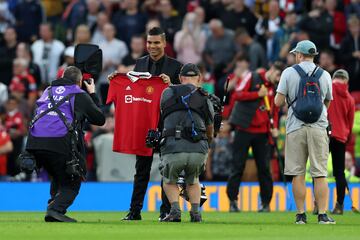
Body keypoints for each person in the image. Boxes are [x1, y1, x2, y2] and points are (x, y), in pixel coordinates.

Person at [110, 27, 182, 221]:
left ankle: (166, 211)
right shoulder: (140, 63)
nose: (152, 46)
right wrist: (118, 81)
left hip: (167, 125)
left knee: (167, 171)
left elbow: (185, 95)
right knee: (141, 171)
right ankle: (134, 212)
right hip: (145, 125)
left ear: (165, 44)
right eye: (149, 42)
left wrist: (172, 86)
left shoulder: (177, 67)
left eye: (156, 42)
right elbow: (133, 89)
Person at [25, 66, 105, 222]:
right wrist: (93, 93)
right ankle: (56, 209)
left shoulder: (47, 90)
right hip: (59, 141)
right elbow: (99, 119)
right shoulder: (78, 94)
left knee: (58, 173)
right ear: (80, 81)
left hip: (34, 142)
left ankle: (53, 204)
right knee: (73, 180)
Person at [275, 40, 335, 224]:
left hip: (295, 127)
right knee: (320, 173)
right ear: (314, 55)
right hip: (318, 127)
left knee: (297, 173)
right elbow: (327, 102)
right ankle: (323, 215)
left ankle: (301, 214)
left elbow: (278, 102)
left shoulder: (288, 72)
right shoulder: (325, 75)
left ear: (299, 55)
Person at [159, 63, 214, 222]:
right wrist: (208, 143)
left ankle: (175, 211)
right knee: (193, 180)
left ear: (180, 78)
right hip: (198, 149)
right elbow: (210, 127)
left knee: (169, 181)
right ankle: (195, 213)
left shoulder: (167, 93)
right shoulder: (205, 96)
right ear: (199, 78)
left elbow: (164, 116)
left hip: (173, 147)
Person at [226, 62, 283, 213]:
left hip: (263, 132)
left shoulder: (277, 88)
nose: (278, 79)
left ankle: (265, 204)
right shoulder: (252, 76)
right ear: (271, 70)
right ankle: (232, 202)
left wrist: (275, 127)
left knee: (264, 169)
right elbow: (237, 94)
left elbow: (275, 110)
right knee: (238, 166)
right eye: (277, 75)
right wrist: (256, 95)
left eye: (280, 77)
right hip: (243, 129)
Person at [328, 69, 355, 214]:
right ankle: (339, 205)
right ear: (346, 81)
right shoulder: (350, 99)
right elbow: (350, 124)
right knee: (339, 172)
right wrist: (346, 137)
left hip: (325, 134)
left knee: (318, 170)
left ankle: (317, 203)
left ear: (333, 78)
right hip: (341, 138)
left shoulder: (327, 88)